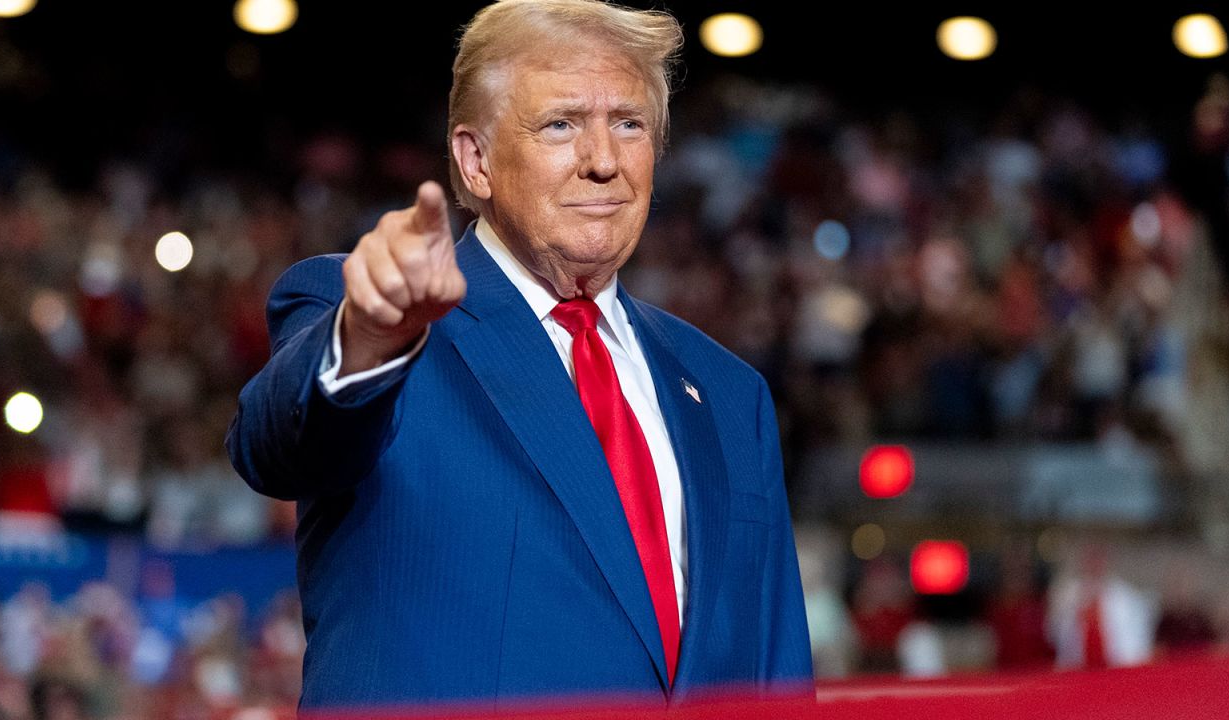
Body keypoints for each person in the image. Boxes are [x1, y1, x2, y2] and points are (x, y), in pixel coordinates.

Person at [226, 0, 812, 710]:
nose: (603, 161)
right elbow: (279, 446)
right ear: (476, 161)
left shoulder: (727, 392)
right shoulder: (377, 323)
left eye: (628, 124)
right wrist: (371, 337)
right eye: (561, 125)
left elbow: (778, 678)